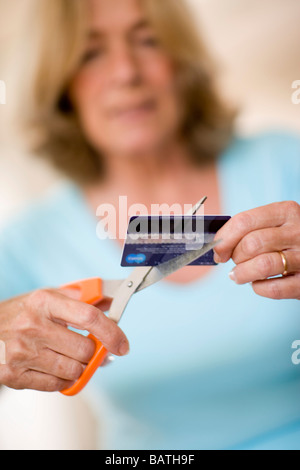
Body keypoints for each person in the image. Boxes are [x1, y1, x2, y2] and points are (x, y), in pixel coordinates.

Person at [0, 0, 299, 450]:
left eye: (147, 40)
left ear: (180, 62)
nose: (126, 72)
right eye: (90, 52)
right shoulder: (28, 243)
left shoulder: (285, 163)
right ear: (60, 84)